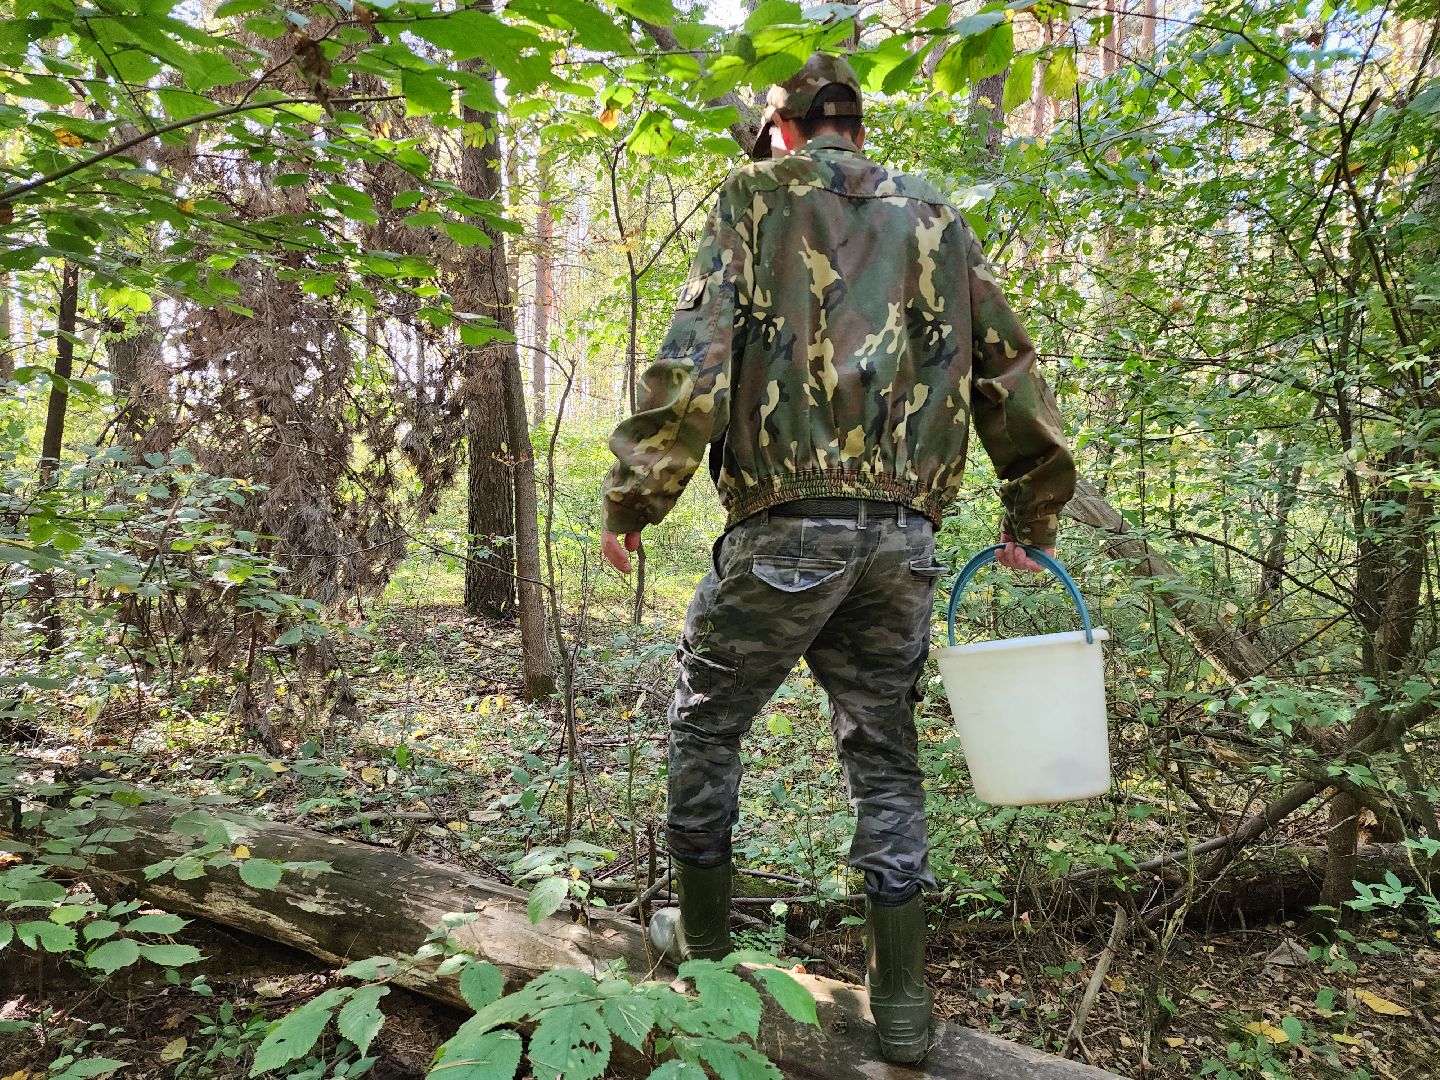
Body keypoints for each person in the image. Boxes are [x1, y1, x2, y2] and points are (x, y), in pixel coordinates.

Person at [598, 52, 1075, 1064]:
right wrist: (1030, 513)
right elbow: (1008, 365)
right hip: (905, 537)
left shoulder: (752, 196)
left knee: (708, 721)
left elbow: (696, 356)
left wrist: (638, 496)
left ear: (782, 129)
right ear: (854, 124)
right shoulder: (938, 214)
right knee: (883, 753)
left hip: (787, 525)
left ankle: (708, 946)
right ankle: (900, 1005)